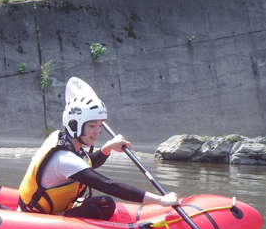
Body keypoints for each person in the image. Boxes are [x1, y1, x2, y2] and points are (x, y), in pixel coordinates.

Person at [18, 94, 179, 220]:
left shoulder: (68, 143)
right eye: (92, 125)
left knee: (105, 204)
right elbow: (109, 185)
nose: (97, 131)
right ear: (73, 125)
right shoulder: (64, 159)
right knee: (92, 210)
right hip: (35, 216)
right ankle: (59, 222)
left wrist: (107, 148)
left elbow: (89, 163)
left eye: (100, 125)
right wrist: (161, 200)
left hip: (53, 208)